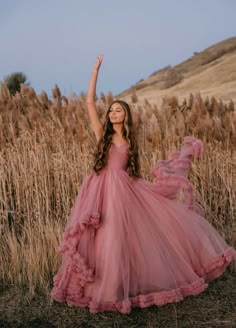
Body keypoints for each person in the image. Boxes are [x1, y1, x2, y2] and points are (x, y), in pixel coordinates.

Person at [50, 54, 236, 314]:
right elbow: (90, 102)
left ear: (125, 115)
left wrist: (150, 191)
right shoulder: (100, 135)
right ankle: (102, 287)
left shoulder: (130, 140)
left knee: (119, 237)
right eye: (111, 110)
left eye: (118, 110)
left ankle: (118, 287)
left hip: (124, 190)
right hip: (100, 189)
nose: (113, 112)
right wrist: (95, 71)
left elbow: (131, 170)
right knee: (102, 236)